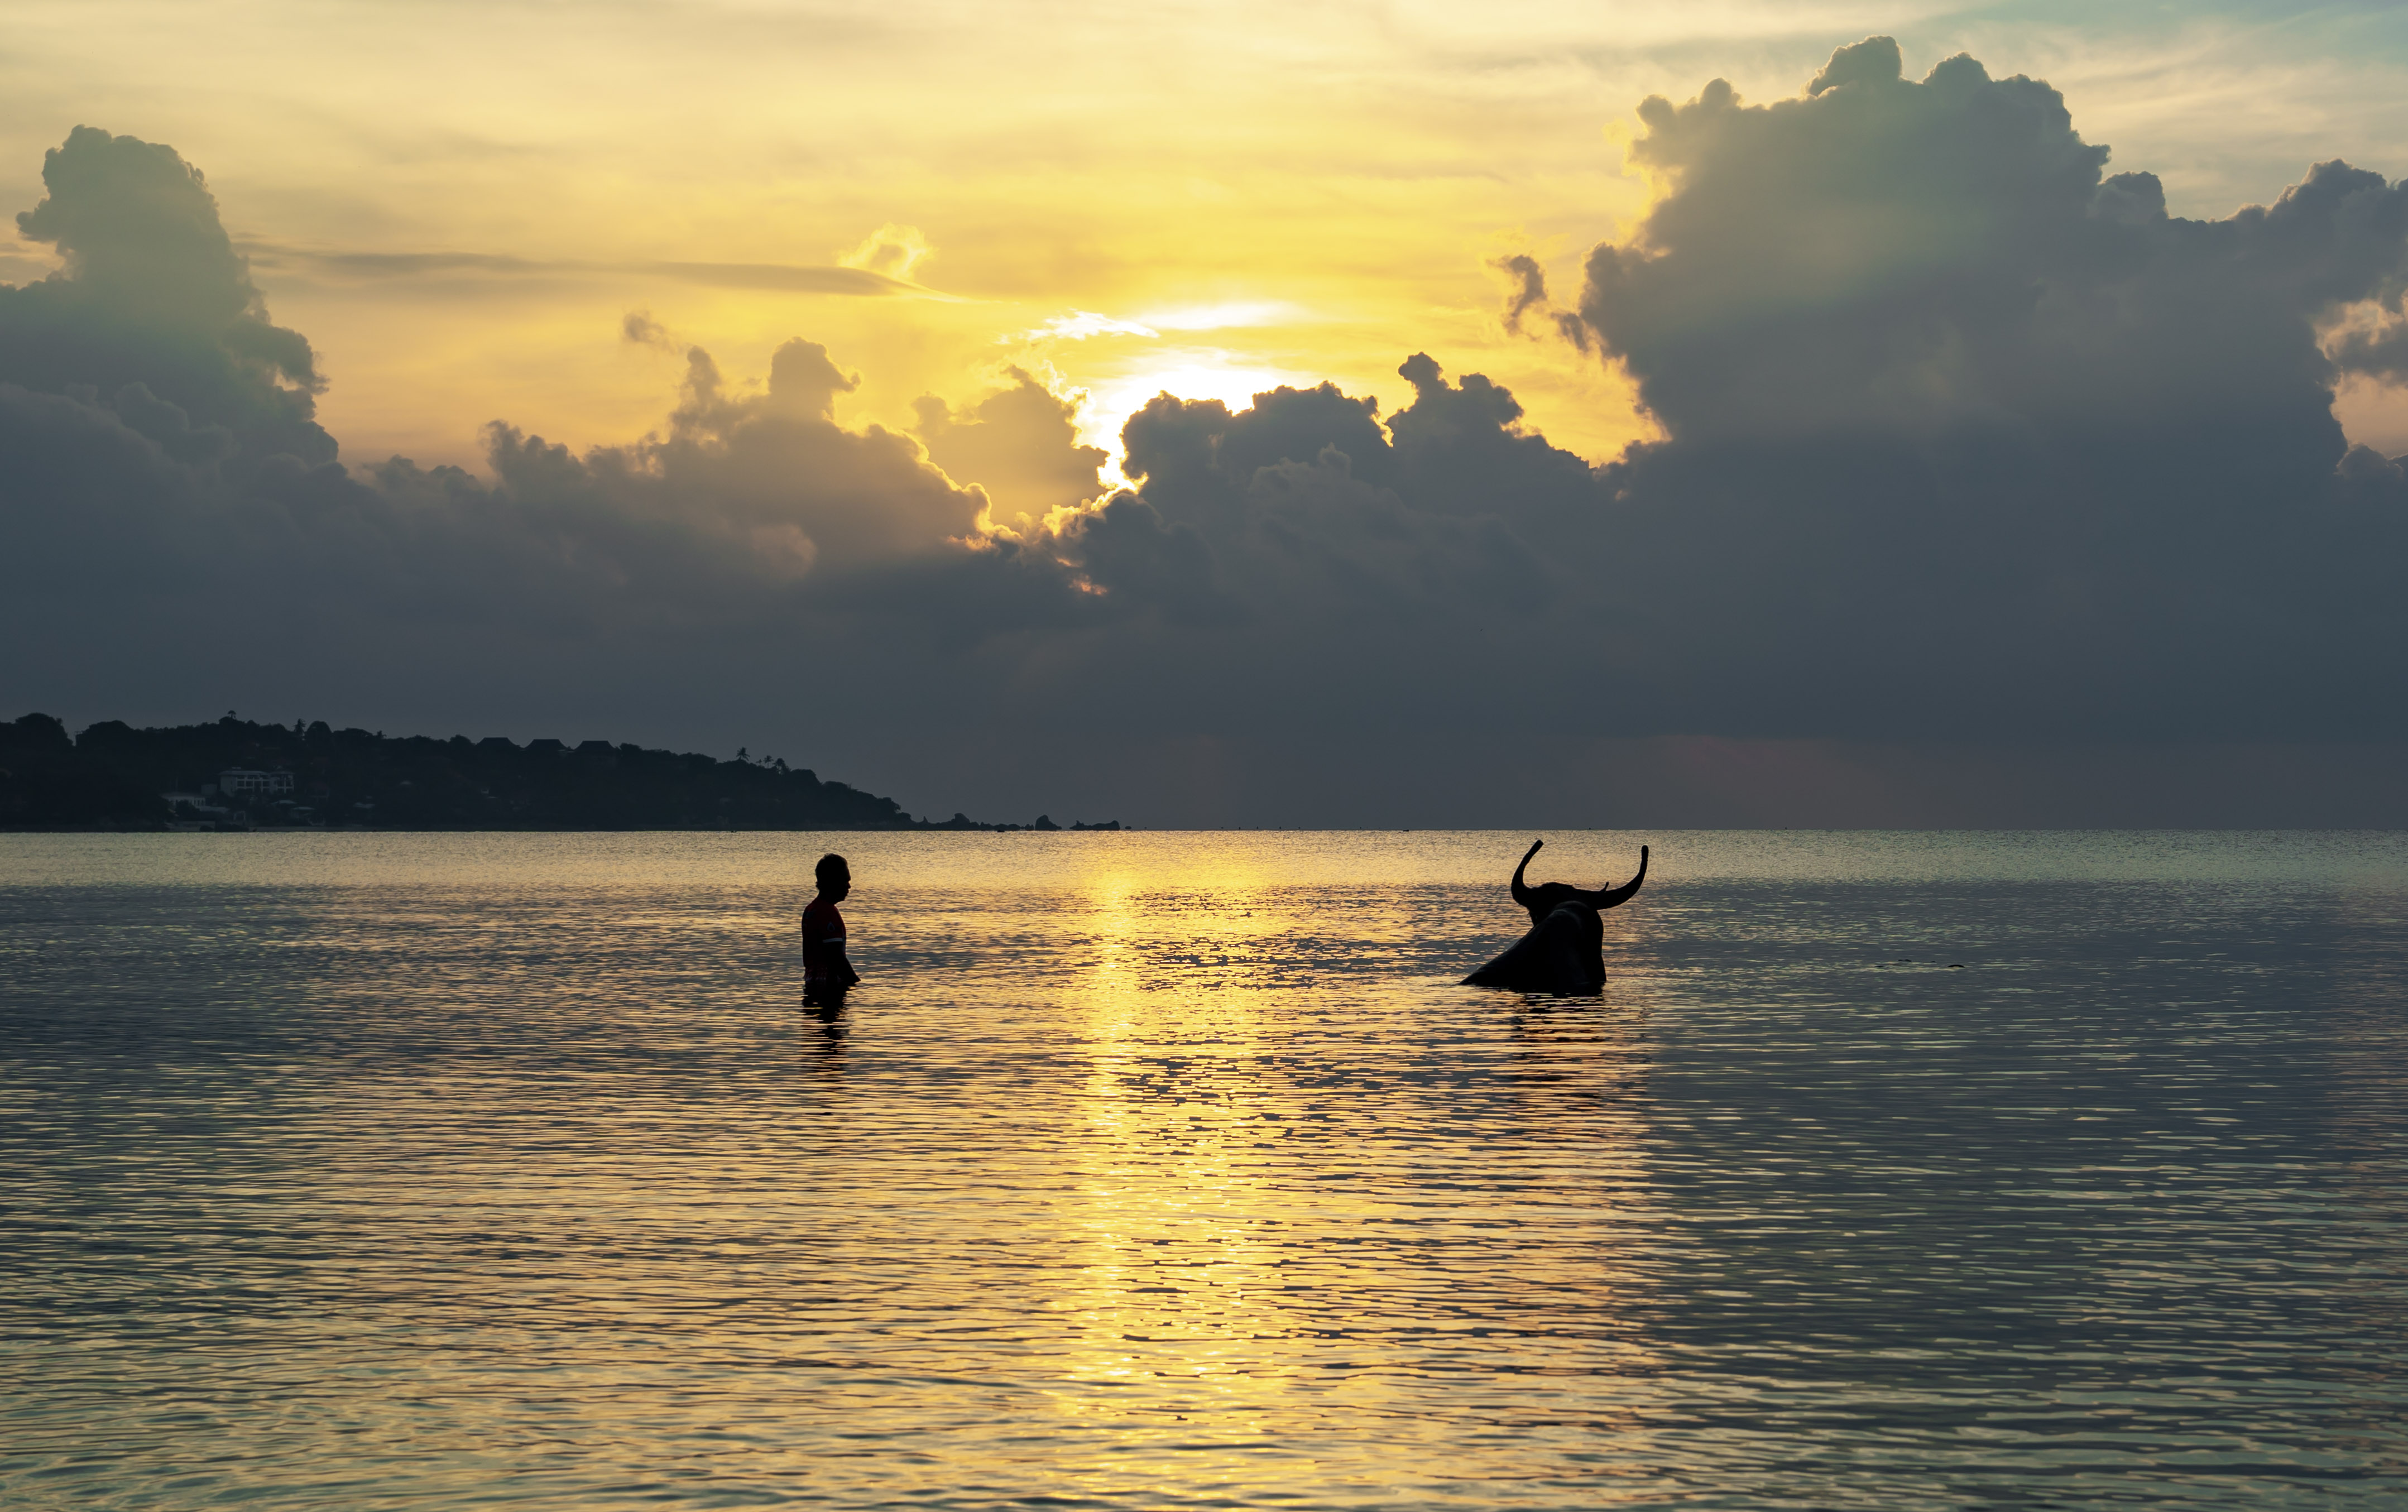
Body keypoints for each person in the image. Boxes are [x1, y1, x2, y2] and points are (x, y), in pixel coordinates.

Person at [801, 852, 861, 1002]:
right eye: (845, 881)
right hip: (828, 987)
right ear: (832, 881)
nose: (849, 886)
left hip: (813, 983)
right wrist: (856, 985)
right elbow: (837, 959)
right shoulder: (826, 912)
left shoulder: (811, 909)